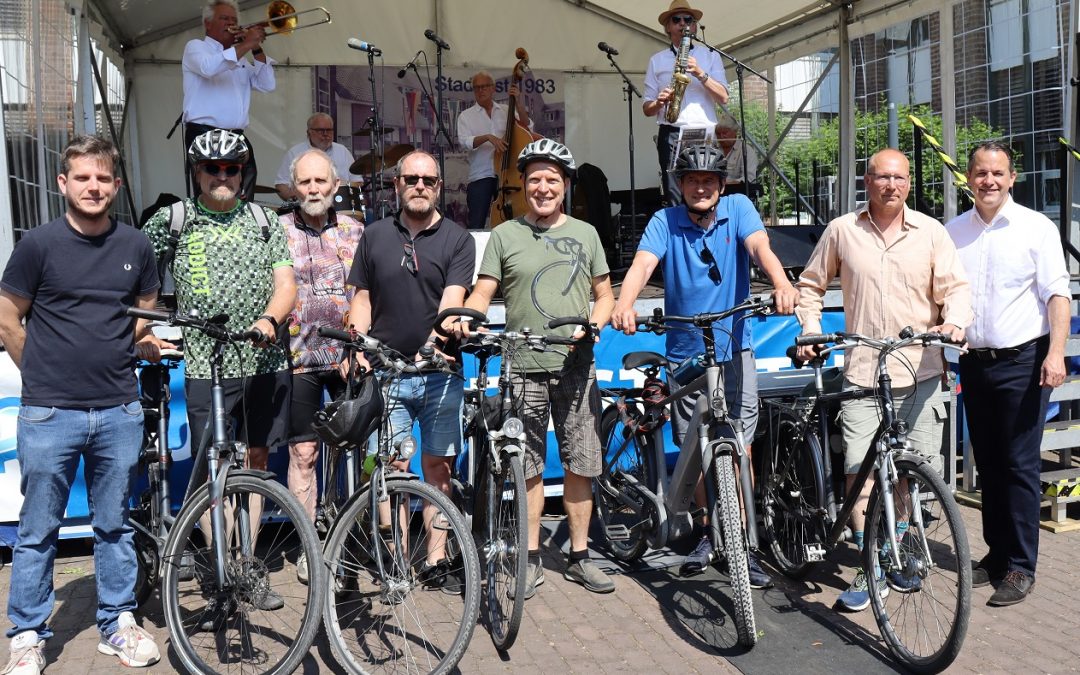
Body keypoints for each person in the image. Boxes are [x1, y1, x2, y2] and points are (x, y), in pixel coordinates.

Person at [0, 136, 162, 673]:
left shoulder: (136, 245)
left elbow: (145, 308)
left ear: (115, 185)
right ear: (63, 183)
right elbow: (7, 318)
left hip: (118, 409)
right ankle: (27, 634)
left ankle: (117, 621)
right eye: (82, 178)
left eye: (103, 179)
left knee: (114, 524)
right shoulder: (37, 246)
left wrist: (124, 350)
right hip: (50, 412)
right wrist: (43, 375)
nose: (93, 187)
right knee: (38, 530)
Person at [611, 144, 797, 589]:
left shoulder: (739, 208)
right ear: (680, 185)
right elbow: (643, 264)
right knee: (696, 450)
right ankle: (708, 532)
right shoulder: (665, 221)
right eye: (692, 180)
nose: (700, 186)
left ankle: (742, 544)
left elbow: (760, 247)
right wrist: (624, 302)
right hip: (685, 353)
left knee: (737, 448)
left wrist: (781, 281)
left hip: (734, 349)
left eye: (709, 180)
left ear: (721, 184)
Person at [795, 148, 972, 612]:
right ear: (867, 181)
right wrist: (811, 330)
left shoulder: (931, 232)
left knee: (910, 474)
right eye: (882, 178)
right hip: (861, 373)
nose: (891, 185)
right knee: (860, 469)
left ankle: (899, 549)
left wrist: (954, 323)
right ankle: (868, 559)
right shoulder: (842, 231)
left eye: (899, 178)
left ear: (908, 183)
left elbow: (955, 290)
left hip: (921, 372)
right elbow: (810, 285)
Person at [142, 128, 296, 611]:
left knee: (255, 465)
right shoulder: (172, 220)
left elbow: (286, 282)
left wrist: (270, 318)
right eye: (213, 168)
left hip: (264, 361)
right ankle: (219, 565)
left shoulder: (265, 219)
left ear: (243, 172)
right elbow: (141, 282)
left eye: (232, 168)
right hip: (208, 366)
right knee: (215, 472)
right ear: (197, 173)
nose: (222, 176)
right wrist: (144, 332)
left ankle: (246, 568)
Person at [460, 139, 616, 597]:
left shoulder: (587, 233)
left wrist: (593, 325)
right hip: (521, 363)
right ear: (522, 186)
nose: (543, 188)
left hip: (575, 363)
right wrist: (465, 316)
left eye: (552, 179)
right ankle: (529, 558)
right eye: (534, 180)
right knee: (525, 465)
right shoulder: (505, 234)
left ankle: (580, 556)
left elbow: (604, 295)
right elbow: (484, 292)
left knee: (581, 462)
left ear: (565, 185)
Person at [945, 141, 1069, 607]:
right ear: (969, 178)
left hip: (1024, 363)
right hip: (975, 364)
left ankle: (1020, 566)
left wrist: (1055, 354)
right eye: (981, 173)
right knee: (990, 463)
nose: (989, 181)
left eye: (998, 173)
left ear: (1012, 178)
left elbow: (1058, 296)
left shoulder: (1036, 228)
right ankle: (997, 556)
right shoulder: (953, 232)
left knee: (1019, 465)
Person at [346, 150, 475, 587]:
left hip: (440, 373)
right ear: (396, 185)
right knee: (392, 470)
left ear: (440, 187)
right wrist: (359, 346)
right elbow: (360, 297)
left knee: (439, 469)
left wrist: (431, 346)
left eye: (429, 180)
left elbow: (453, 299)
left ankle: (436, 559)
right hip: (386, 373)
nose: (420, 186)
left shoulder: (458, 238)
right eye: (412, 179)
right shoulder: (374, 235)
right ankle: (396, 561)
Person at [280, 149, 365, 584]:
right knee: (304, 453)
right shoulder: (276, 231)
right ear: (295, 188)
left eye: (321, 182)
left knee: (354, 451)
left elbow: (371, 293)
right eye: (305, 182)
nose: (313, 190)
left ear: (335, 186)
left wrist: (363, 347)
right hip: (298, 362)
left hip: (349, 359)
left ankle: (352, 539)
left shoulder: (356, 231)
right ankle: (309, 545)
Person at [182, 0, 275, 201]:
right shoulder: (196, 47)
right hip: (205, 133)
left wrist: (256, 49)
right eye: (224, 18)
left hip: (237, 135)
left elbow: (266, 84)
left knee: (245, 188)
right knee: (212, 192)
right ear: (208, 23)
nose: (231, 23)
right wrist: (247, 43)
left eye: (234, 20)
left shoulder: (239, 58)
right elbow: (209, 68)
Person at [643, 0, 729, 207]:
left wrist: (700, 73)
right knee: (674, 192)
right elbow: (647, 108)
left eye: (688, 20)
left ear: (695, 26)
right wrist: (659, 102)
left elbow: (724, 97)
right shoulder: (657, 60)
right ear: (668, 27)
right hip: (671, 131)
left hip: (704, 131)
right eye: (677, 20)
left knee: (706, 189)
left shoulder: (710, 56)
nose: (683, 23)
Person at [456, 71, 532, 229]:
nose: (480, 91)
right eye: (476, 88)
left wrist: (518, 102)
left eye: (484, 87)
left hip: (507, 175)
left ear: (493, 88)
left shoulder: (506, 110)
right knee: (477, 222)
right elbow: (464, 142)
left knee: (513, 222)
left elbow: (527, 126)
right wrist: (488, 137)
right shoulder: (466, 116)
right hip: (481, 175)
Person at [274, 113, 365, 202]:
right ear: (309, 132)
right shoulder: (295, 153)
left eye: (329, 130)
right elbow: (281, 184)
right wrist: (295, 199)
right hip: (307, 207)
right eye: (321, 130)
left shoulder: (342, 151)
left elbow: (357, 181)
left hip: (341, 205)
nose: (326, 134)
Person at [716, 119, 760, 201]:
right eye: (718, 134)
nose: (721, 136)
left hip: (738, 197)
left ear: (735, 132)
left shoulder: (746, 150)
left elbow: (749, 178)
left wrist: (726, 183)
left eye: (725, 133)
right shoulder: (715, 150)